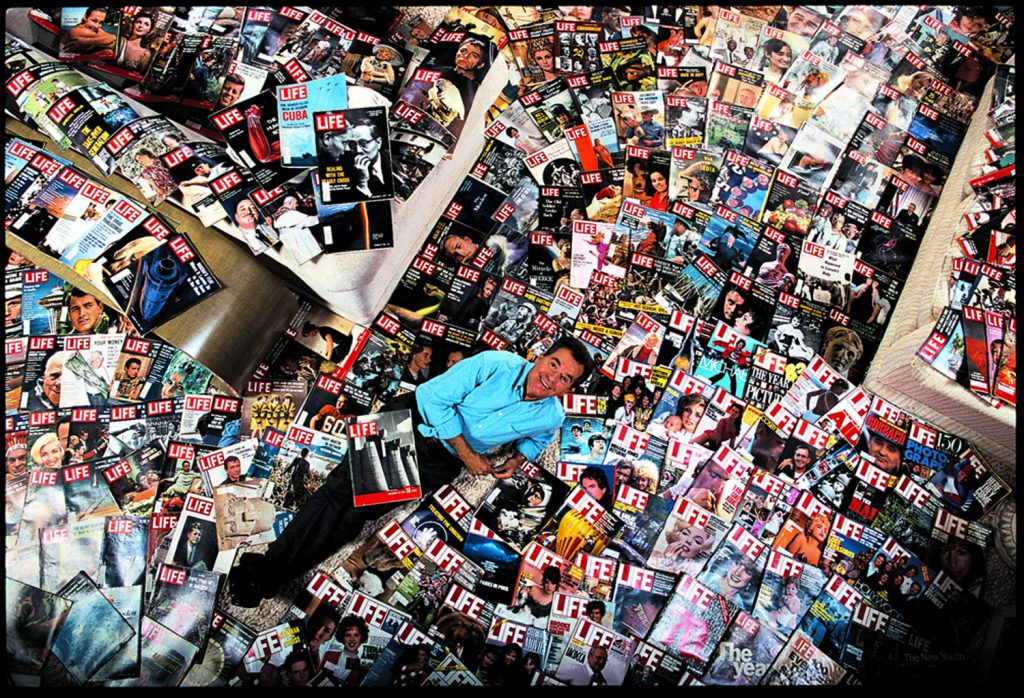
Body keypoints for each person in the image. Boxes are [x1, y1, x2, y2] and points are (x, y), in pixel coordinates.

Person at [230, 338, 594, 606]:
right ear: (541, 355)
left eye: (565, 379)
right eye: (553, 365)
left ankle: (269, 574)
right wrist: (468, 455)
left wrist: (518, 458)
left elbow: (542, 436)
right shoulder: (497, 363)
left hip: (440, 462)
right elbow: (430, 398)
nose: (552, 379)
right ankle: (267, 571)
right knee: (339, 492)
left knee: (357, 514)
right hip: (411, 420)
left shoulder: (551, 415)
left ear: (570, 388)